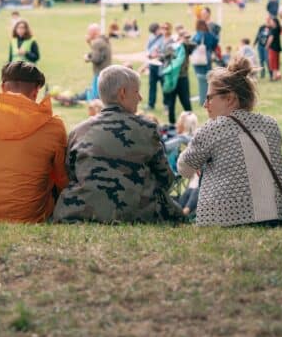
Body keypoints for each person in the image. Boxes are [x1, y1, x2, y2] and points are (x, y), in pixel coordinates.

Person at [177, 57, 282, 227]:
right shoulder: (271, 125)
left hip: (226, 220)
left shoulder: (214, 128)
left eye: (209, 98)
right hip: (276, 217)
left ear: (230, 98)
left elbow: (184, 169)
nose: (205, 104)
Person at [52, 65, 184, 223]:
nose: (140, 98)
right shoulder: (146, 129)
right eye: (136, 92)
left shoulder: (78, 131)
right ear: (122, 93)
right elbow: (166, 179)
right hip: (137, 214)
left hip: (80, 212)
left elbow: (70, 173)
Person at [0, 62, 68, 223]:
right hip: (31, 217)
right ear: (36, 91)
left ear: (2, 87)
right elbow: (62, 178)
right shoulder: (53, 126)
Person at [162, 28, 194, 124]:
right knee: (171, 103)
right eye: (185, 37)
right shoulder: (171, 46)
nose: (187, 39)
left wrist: (184, 42)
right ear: (179, 37)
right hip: (172, 78)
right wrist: (177, 44)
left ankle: (191, 123)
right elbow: (165, 55)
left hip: (183, 78)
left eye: (188, 37)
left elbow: (193, 45)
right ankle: (172, 123)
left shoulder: (187, 47)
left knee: (186, 102)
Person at [191, 19, 216, 105]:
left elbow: (194, 43)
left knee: (201, 78)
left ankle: (203, 99)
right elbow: (215, 41)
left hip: (199, 57)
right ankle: (207, 97)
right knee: (207, 78)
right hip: (208, 56)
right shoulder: (210, 34)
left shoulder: (198, 34)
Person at [84, 23, 112, 100]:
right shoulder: (104, 39)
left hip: (99, 72)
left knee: (96, 96)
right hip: (106, 71)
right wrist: (90, 43)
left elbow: (96, 59)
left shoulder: (97, 42)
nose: (88, 34)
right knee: (101, 94)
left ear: (94, 32)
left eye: (89, 32)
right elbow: (98, 53)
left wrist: (87, 58)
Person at [145, 22, 165, 110]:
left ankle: (166, 105)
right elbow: (147, 49)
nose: (155, 33)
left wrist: (158, 54)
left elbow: (166, 50)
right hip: (152, 64)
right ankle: (151, 104)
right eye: (153, 32)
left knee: (164, 86)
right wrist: (150, 54)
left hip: (161, 65)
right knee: (152, 85)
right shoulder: (151, 37)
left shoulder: (164, 38)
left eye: (156, 31)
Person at [266, 16, 282, 81]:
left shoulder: (274, 30)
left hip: (273, 47)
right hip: (277, 47)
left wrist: (267, 45)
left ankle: (274, 77)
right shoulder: (278, 28)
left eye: (272, 21)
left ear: (275, 22)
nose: (271, 22)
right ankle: (276, 75)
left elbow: (271, 38)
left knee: (273, 62)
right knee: (276, 62)